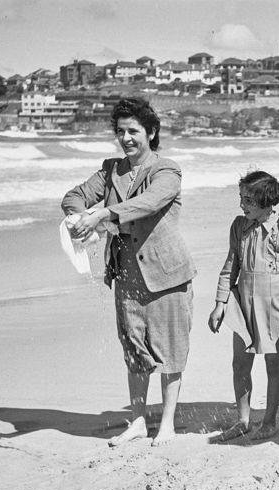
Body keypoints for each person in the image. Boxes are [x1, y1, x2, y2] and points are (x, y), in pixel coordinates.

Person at [62, 98, 196, 447]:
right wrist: (79, 219)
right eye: (120, 132)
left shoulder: (167, 170)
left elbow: (148, 203)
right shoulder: (110, 170)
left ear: (151, 132)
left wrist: (102, 216)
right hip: (125, 273)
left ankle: (166, 423)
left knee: (169, 349)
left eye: (133, 131)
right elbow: (75, 195)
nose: (126, 138)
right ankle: (137, 422)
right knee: (135, 349)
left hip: (167, 273)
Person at [208, 171, 279, 441]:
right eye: (241, 198)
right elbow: (230, 266)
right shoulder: (239, 226)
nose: (242, 205)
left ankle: (270, 421)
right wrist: (220, 303)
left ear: (266, 200)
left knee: (274, 366)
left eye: (248, 200)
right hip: (242, 305)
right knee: (240, 363)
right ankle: (242, 420)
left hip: (275, 306)